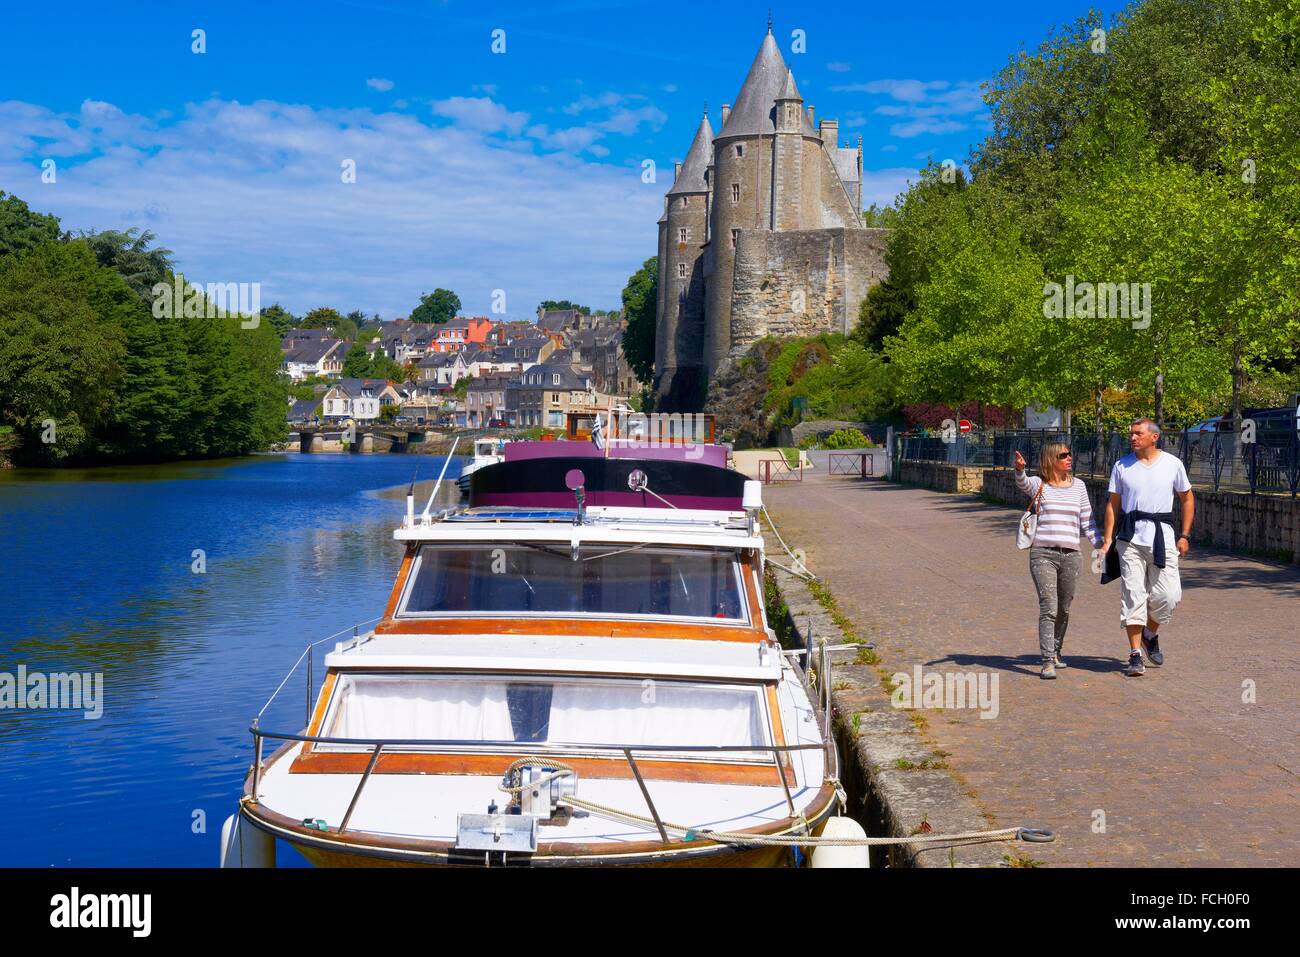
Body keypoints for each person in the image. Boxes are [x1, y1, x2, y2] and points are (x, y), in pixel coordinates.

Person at [1101, 418, 1194, 677]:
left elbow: (1187, 498)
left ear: (1154, 437)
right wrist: (1108, 539)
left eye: (1138, 433)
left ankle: (1149, 634)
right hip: (1129, 538)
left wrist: (1185, 535)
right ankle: (1134, 655)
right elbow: (1113, 504)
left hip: (1162, 535)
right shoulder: (1122, 465)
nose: (1132, 437)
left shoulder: (1172, 464)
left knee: (1169, 596)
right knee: (1133, 595)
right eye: (1130, 433)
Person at [1014, 442, 1102, 679]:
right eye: (1063, 455)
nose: (1069, 458)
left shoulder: (1079, 486)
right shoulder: (1039, 484)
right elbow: (1022, 483)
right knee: (1049, 607)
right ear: (1051, 459)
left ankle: (1056, 651)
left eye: (1070, 453)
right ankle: (1046, 661)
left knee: (1064, 608)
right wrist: (1020, 470)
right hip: (1043, 554)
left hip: (1072, 555)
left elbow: (1088, 521)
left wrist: (1101, 545)